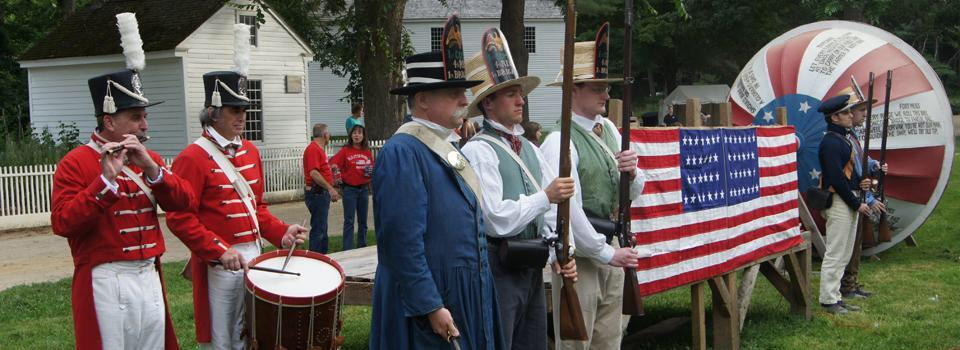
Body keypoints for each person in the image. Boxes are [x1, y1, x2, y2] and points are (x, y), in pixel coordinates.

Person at [50, 12, 195, 349]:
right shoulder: (77, 162)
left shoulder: (151, 159)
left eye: (145, 116)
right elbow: (63, 223)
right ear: (108, 120)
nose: (144, 125)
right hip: (106, 277)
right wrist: (105, 183)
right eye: (135, 117)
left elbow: (184, 203)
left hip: (148, 273)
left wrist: (153, 172)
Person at [165, 24, 307, 349]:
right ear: (213, 113)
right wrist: (218, 251)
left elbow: (257, 208)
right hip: (220, 260)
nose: (242, 116)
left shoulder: (251, 151)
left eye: (244, 110)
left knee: (254, 335)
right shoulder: (193, 157)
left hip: (254, 255)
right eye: (234, 110)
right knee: (224, 339)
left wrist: (282, 233)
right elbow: (179, 217)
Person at [369, 15, 501, 349]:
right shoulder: (403, 152)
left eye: (463, 92)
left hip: (464, 292)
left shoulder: (450, 148)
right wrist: (429, 304)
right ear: (423, 99)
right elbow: (402, 242)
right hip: (429, 301)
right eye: (454, 92)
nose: (463, 100)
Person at [460, 28, 578, 350]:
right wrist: (545, 197)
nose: (520, 100)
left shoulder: (530, 148)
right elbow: (495, 218)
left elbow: (553, 209)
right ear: (488, 104)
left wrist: (558, 251)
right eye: (510, 94)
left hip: (531, 266)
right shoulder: (479, 150)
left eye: (519, 93)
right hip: (500, 268)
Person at [540, 23, 644, 350]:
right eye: (597, 86)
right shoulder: (559, 141)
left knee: (608, 341)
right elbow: (568, 211)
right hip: (582, 258)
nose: (606, 93)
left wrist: (632, 172)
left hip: (612, 247)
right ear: (573, 89)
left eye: (605, 86)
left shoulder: (610, 128)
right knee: (575, 343)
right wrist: (605, 253)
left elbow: (633, 192)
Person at [816, 94, 875, 315]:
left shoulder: (842, 140)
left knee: (844, 252)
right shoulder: (831, 142)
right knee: (836, 252)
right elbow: (835, 178)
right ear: (835, 117)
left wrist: (861, 183)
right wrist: (855, 203)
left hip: (847, 197)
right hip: (840, 200)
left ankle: (836, 296)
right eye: (846, 112)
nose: (852, 115)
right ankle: (828, 300)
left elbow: (846, 176)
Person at [837, 87, 888, 301]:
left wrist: (875, 164)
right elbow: (854, 171)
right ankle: (846, 285)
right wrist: (868, 198)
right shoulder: (842, 138)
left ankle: (851, 282)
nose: (863, 114)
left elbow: (861, 159)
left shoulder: (852, 135)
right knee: (847, 246)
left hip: (858, 195)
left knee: (855, 245)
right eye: (859, 110)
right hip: (851, 196)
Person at [330, 122, 374, 250]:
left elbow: (370, 168)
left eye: (359, 132)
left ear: (363, 135)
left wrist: (370, 174)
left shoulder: (366, 151)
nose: (357, 135)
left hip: (364, 190)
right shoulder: (345, 150)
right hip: (350, 190)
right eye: (354, 132)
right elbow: (332, 162)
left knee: (363, 222)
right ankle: (348, 249)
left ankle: (362, 246)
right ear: (351, 135)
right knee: (349, 221)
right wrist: (335, 170)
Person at [303, 123, 340, 253]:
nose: (329, 135)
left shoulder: (318, 149)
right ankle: (316, 259)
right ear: (325, 135)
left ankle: (323, 257)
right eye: (328, 133)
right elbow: (314, 173)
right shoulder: (313, 149)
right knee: (319, 230)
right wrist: (330, 188)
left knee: (322, 228)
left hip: (320, 194)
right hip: (317, 194)